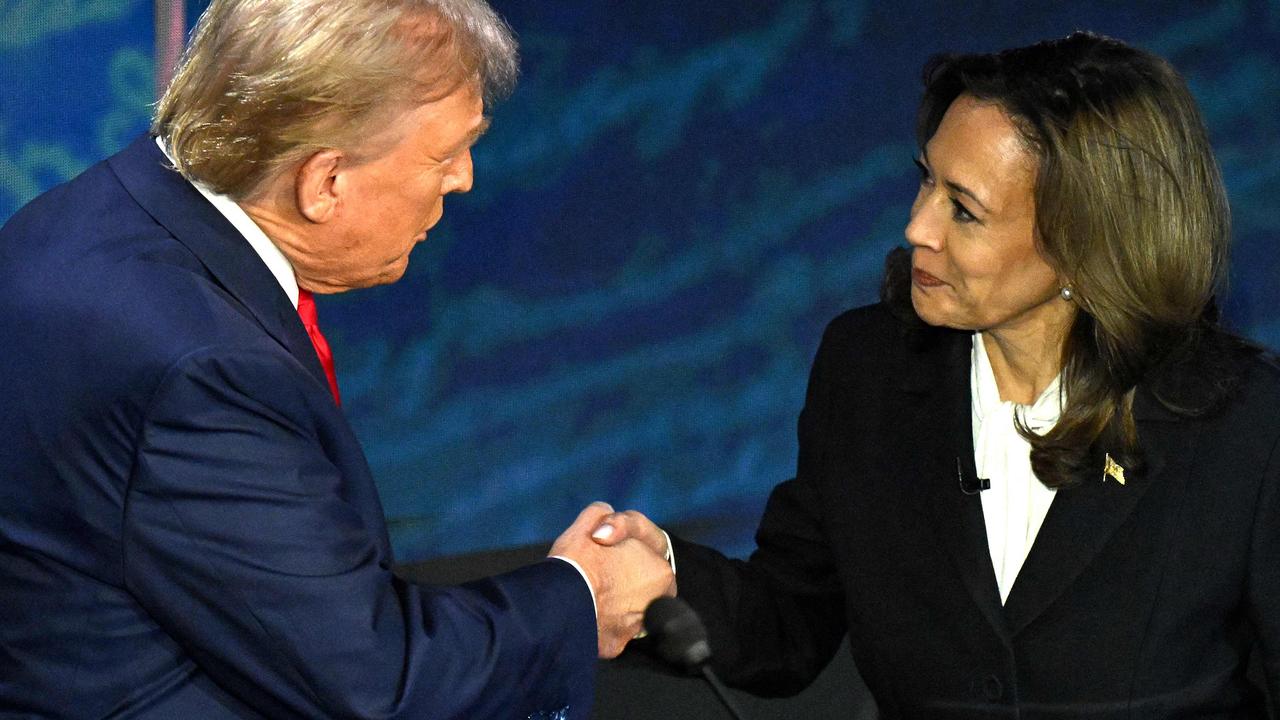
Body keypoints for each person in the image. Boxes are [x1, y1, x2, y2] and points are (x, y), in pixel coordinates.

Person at [0, 1, 672, 718]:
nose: (464, 179)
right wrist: (582, 597)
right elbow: (376, 682)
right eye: (445, 154)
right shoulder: (206, 368)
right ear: (325, 182)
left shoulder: (92, 211)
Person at [592, 32, 1280, 718]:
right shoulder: (866, 370)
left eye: (964, 208)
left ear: (1085, 239)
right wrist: (664, 577)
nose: (917, 226)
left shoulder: (1243, 421)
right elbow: (787, 624)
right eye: (926, 179)